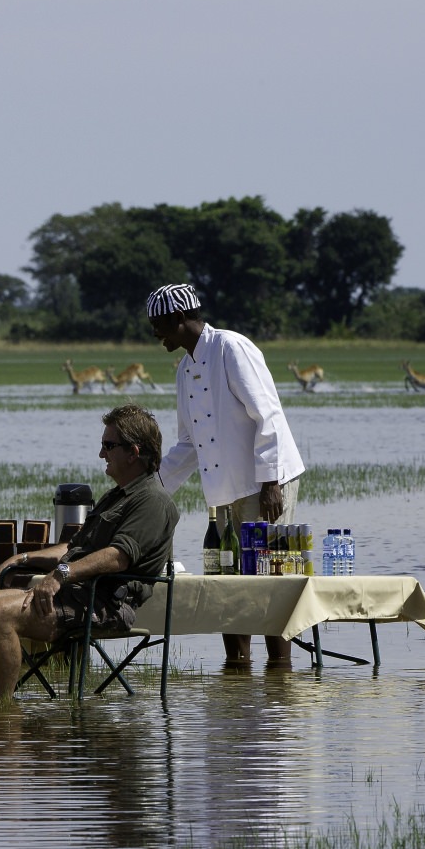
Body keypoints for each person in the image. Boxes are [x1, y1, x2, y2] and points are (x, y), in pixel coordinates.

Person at [146, 282, 306, 664]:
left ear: (178, 318)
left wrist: (271, 482)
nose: (155, 335)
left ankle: (279, 671)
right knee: (227, 579)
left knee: (269, 580)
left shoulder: (231, 348)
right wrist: (151, 488)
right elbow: (189, 443)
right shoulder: (184, 370)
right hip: (223, 491)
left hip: (264, 483)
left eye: (158, 326)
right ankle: (237, 668)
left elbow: (267, 415)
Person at [0, 405, 178, 700]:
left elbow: (117, 556)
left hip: (106, 605)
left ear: (133, 452)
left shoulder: (153, 501)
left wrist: (60, 574)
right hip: (76, 594)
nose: (101, 454)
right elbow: (73, 549)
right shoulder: (117, 496)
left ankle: (2, 710)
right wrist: (21, 558)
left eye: (108, 446)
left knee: (0, 615)